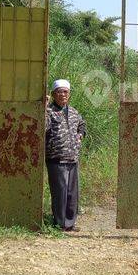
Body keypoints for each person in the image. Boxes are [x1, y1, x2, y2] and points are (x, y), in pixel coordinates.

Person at [45, 79, 86, 231]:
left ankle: (70, 223)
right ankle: (60, 224)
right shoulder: (49, 112)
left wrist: (80, 135)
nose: (62, 94)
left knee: (72, 193)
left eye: (65, 92)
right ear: (54, 94)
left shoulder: (74, 112)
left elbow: (82, 124)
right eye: (59, 92)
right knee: (60, 192)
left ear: (69, 94)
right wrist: (43, 108)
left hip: (73, 158)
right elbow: (42, 127)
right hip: (56, 159)